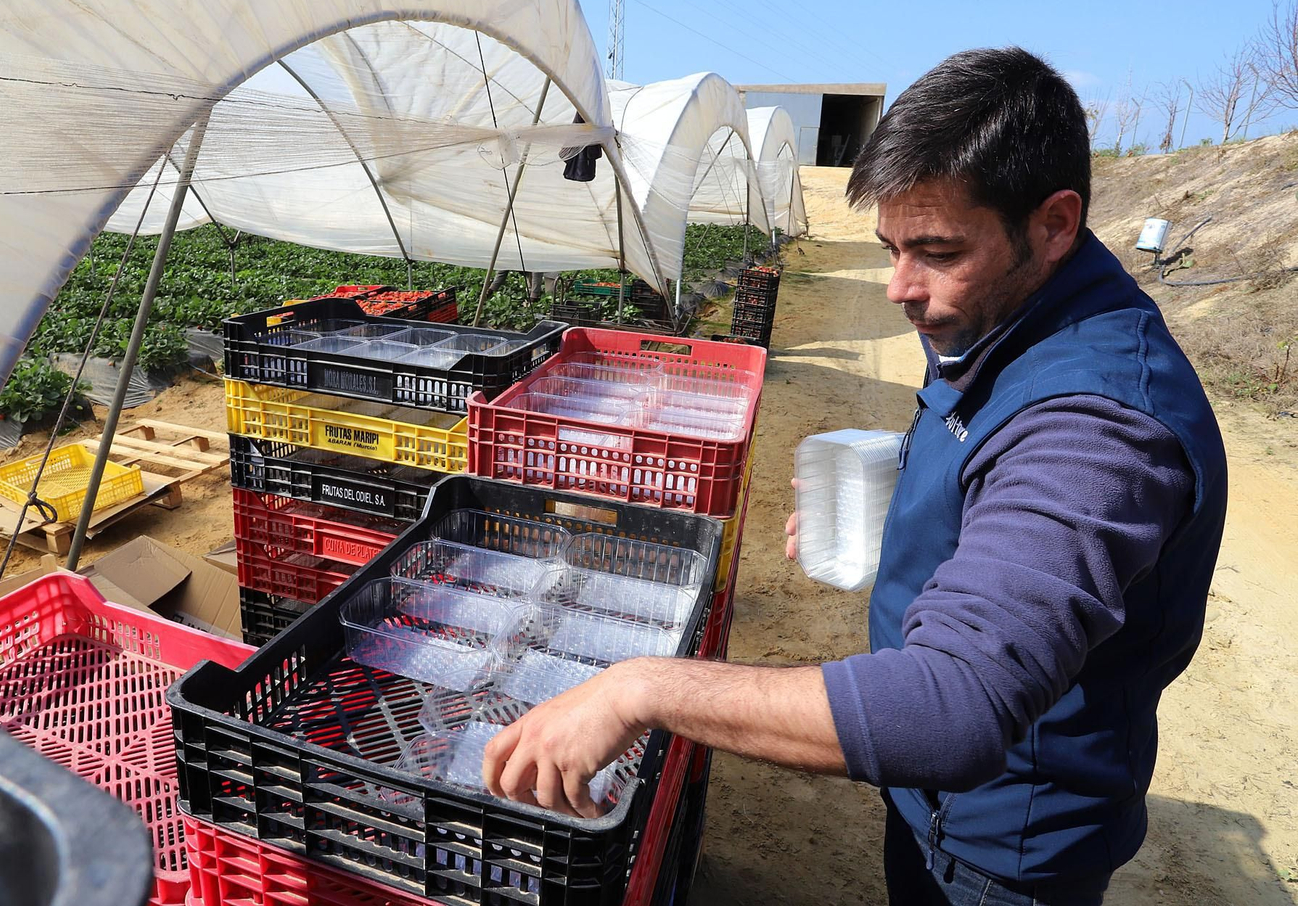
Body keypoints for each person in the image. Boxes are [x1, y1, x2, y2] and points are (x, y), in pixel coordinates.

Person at [481, 47, 1228, 906]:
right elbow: (986, 460)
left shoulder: (1099, 428)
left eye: (937, 250)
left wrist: (642, 687)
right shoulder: (1003, 314)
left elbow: (954, 707)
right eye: (891, 247)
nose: (898, 287)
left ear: (1056, 223)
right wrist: (911, 508)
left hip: (999, 849)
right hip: (933, 805)